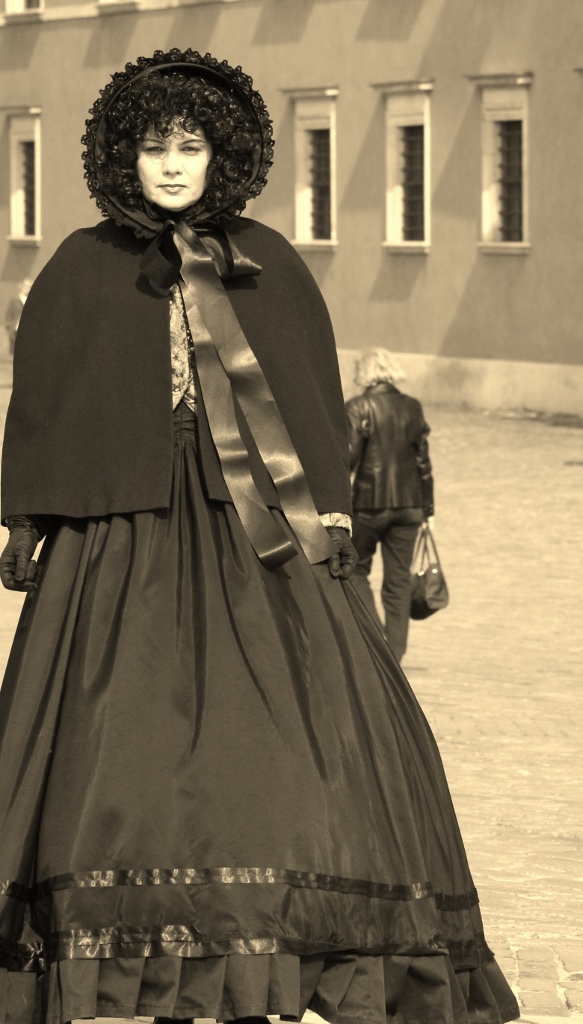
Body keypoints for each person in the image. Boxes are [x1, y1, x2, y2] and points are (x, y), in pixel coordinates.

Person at [0, 49, 519, 1024]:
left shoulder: (268, 264)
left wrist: (331, 517)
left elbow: (309, 399)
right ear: (124, 154)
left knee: (299, 754)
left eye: (189, 146)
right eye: (153, 146)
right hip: (121, 547)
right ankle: (144, 970)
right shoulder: (80, 265)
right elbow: (49, 401)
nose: (170, 165)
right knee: (115, 754)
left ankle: (265, 958)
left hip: (259, 546)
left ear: (220, 153)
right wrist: (30, 517)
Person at [346, 349, 434, 661]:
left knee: (355, 569)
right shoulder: (413, 406)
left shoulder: (358, 407)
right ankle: (395, 655)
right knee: (398, 583)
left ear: (366, 372)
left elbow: (348, 459)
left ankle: (376, 642)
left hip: (368, 504)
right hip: (409, 506)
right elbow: (423, 462)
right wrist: (429, 509)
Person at [4, 278, 32, 355]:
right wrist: (9, 326)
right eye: (26, 286)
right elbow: (9, 314)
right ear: (21, 286)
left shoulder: (33, 300)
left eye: (30, 286)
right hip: (15, 328)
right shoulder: (15, 300)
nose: (27, 288)